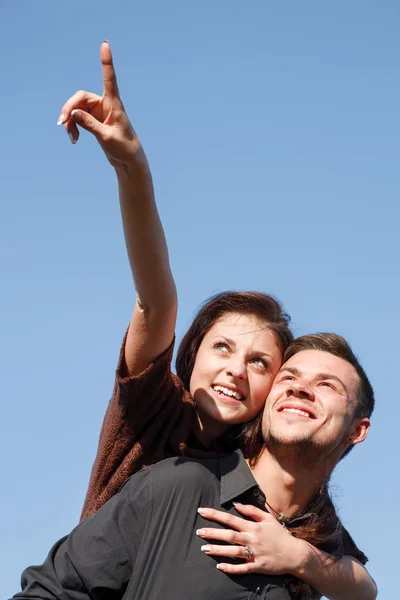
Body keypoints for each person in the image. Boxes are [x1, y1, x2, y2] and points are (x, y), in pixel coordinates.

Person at [54, 42, 375, 598]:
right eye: (221, 349)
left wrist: (298, 556)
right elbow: (156, 296)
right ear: (190, 354)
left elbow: (363, 585)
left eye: (259, 363)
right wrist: (132, 165)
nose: (235, 371)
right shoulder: (156, 411)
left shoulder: (267, 478)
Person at [11, 333, 377, 600]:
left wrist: (300, 557)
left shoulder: (320, 538)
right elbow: (50, 592)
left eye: (327, 385)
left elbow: (366, 589)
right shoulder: (176, 485)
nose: (300, 389)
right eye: (289, 377)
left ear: (357, 431)